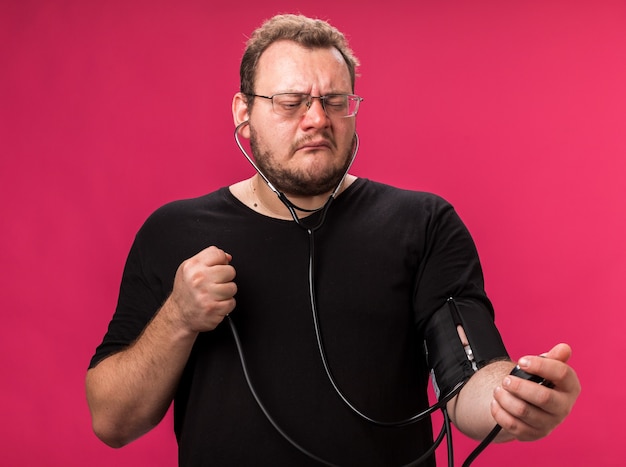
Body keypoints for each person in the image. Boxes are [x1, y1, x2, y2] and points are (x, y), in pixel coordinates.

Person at [86, 14, 580, 467]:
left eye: (334, 101)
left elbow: (468, 377)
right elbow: (112, 422)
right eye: (291, 102)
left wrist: (509, 401)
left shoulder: (423, 223)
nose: (317, 119)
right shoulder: (174, 231)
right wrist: (178, 316)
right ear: (243, 111)